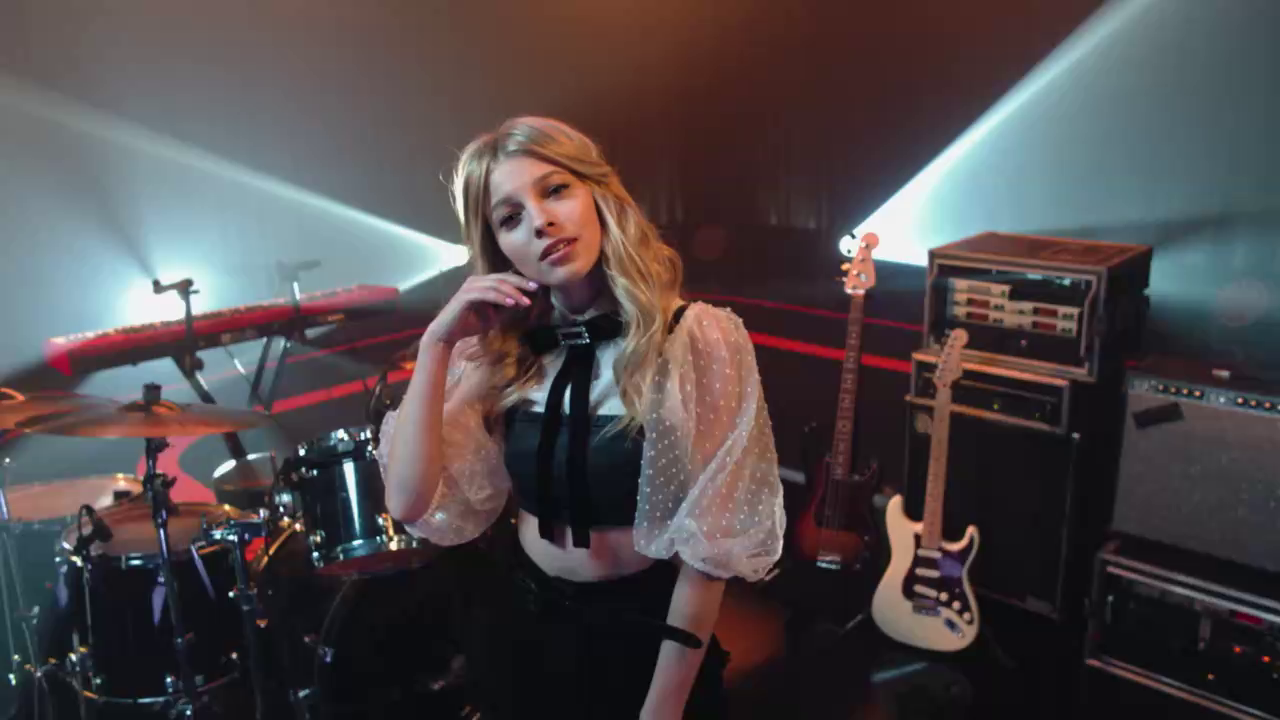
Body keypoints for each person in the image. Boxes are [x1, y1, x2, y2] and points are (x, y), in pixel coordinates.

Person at [377, 116, 785, 719]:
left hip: (647, 636)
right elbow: (408, 502)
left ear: (599, 195)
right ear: (499, 248)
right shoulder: (498, 349)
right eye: (510, 218)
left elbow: (708, 556)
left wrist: (662, 710)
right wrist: (438, 343)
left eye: (556, 190)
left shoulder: (696, 336)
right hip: (521, 630)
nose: (540, 221)